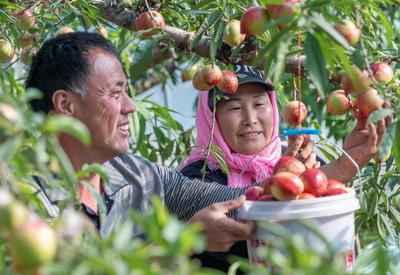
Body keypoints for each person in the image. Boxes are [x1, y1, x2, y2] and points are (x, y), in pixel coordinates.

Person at [25, 32, 255, 253]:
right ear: (65, 105)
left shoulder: (140, 176)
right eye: (115, 94)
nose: (130, 106)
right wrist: (185, 241)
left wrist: (279, 186)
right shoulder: (23, 199)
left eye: (126, 91)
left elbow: (233, 203)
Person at [179, 64, 391, 272]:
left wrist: (342, 166)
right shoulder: (199, 175)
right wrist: (290, 178)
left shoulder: (301, 160)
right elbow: (236, 217)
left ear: (273, 107)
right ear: (211, 118)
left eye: (259, 104)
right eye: (235, 107)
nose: (250, 120)